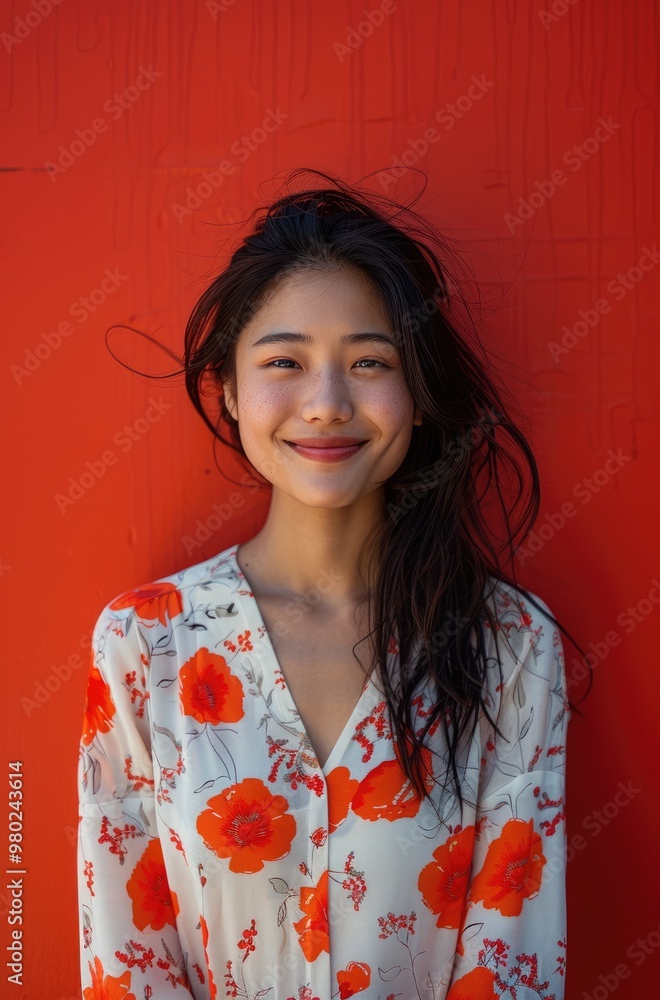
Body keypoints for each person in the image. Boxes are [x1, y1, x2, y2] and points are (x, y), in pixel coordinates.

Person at [77, 168, 587, 1000]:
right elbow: (124, 960)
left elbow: (512, 965)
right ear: (231, 390)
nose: (324, 403)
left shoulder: (508, 646)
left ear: (417, 397)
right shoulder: (145, 643)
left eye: (369, 361)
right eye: (285, 359)